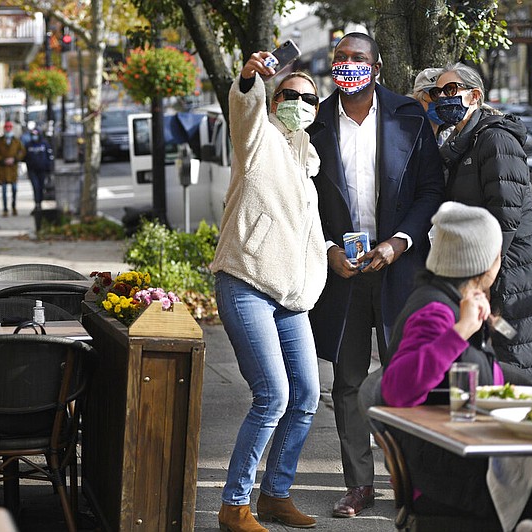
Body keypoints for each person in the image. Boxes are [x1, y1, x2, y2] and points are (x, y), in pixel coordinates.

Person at [306, 32, 445, 518]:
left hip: (398, 270)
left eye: (358, 59)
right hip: (342, 273)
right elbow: (302, 200)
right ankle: (359, 485)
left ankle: (413, 485)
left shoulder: (409, 117)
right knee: (345, 383)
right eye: (340, 58)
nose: (348, 65)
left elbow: (431, 191)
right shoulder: (315, 122)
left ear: (377, 67)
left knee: (406, 380)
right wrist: (326, 250)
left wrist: (397, 243)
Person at [210, 51, 327, 531]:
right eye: (289, 95)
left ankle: (275, 495)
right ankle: (234, 504)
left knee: (307, 395)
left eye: (307, 99)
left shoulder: (306, 161)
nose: (297, 103)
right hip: (246, 281)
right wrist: (248, 80)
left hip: (290, 294)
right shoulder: (259, 137)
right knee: (273, 395)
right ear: (274, 99)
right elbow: (243, 108)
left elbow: (304, 232)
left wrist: (327, 259)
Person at [434, 63, 532, 386]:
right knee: (489, 378)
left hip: (514, 280)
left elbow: (505, 216)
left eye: (451, 90)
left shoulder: (495, 140)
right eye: (437, 93)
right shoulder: (461, 144)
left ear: (475, 95)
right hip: (486, 279)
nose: (442, 98)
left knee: (520, 375)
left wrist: (483, 280)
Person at [380, 201, 504, 520]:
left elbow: (477, 373)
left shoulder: (453, 300)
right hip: (445, 477)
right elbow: (397, 388)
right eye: (497, 254)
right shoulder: (437, 311)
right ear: (482, 264)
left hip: (456, 461)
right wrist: (462, 330)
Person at [410, 67, 452, 145]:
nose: (441, 99)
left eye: (447, 93)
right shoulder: (404, 131)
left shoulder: (452, 134)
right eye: (435, 93)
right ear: (418, 97)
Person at [0, 121, 26, 217]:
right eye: (6, 127)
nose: (8, 129)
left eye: (9, 127)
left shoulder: (16, 141)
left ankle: (14, 206)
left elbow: (22, 152)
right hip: (3, 169)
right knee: (3, 190)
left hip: (12, 169)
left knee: (14, 189)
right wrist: (2, 160)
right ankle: (5, 209)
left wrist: (14, 159)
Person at [24, 128, 55, 215]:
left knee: (41, 188)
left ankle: (39, 205)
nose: (34, 136)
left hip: (42, 170)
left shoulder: (44, 144)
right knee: (35, 187)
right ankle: (37, 204)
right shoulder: (28, 145)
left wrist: (50, 169)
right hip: (32, 170)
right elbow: (24, 157)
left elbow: (50, 157)